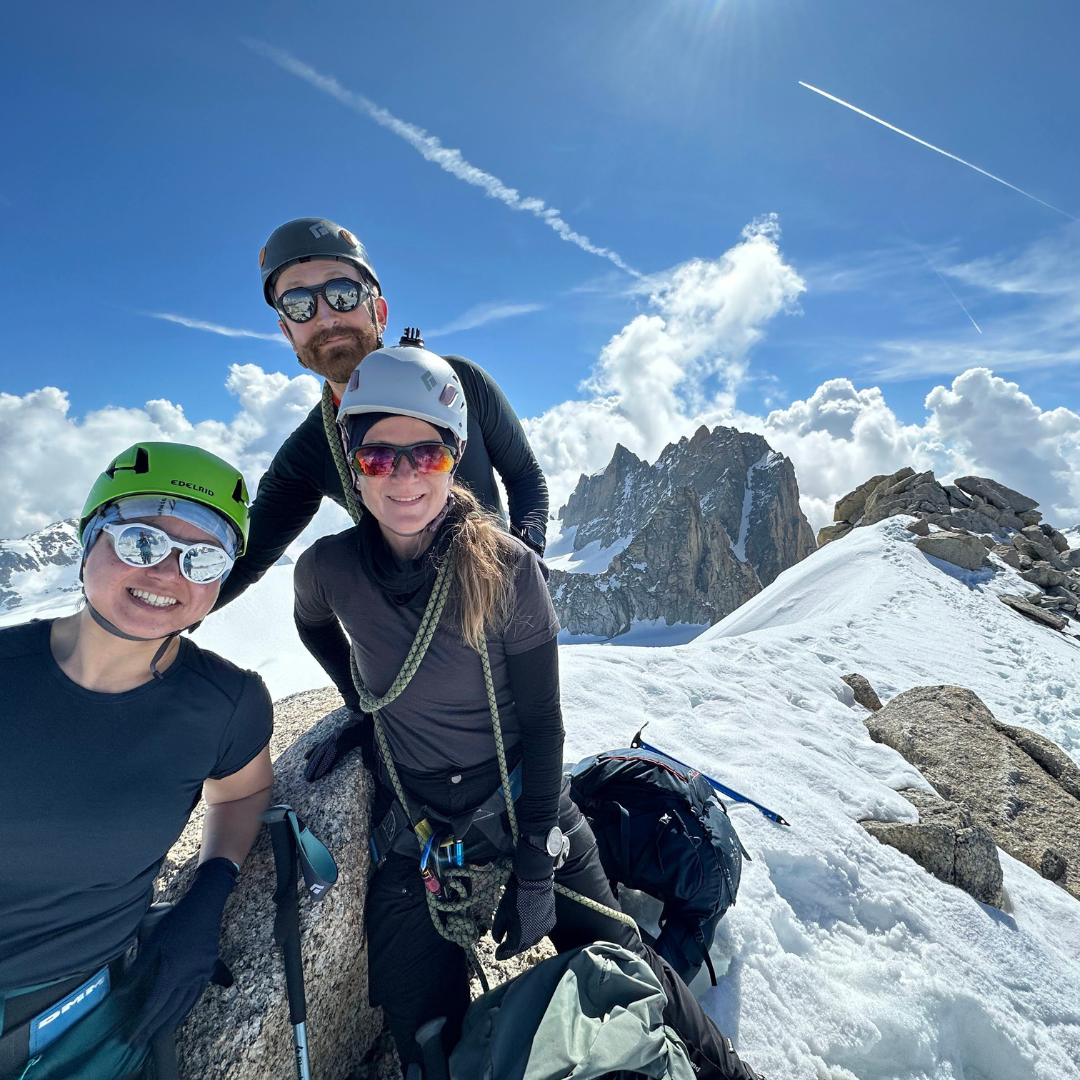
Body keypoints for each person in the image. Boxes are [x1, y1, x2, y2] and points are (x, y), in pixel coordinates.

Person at [293, 348, 765, 1080]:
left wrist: (538, 868)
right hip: (417, 830)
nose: (405, 476)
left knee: (629, 962)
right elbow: (313, 623)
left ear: (455, 457)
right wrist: (363, 705)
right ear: (354, 466)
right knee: (425, 1042)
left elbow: (545, 726)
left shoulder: (507, 568)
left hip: (524, 806)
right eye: (380, 457)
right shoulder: (330, 568)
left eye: (426, 453)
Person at [0, 443, 274, 1079]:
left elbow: (242, 793)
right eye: (141, 542)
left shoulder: (226, 703)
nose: (168, 573)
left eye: (202, 558)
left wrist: (209, 894)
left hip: (70, 1017)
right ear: (89, 540)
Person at [214, 216, 549, 626]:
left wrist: (526, 557)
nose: (325, 317)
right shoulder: (310, 451)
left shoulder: (462, 384)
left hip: (498, 612)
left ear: (379, 311)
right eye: (299, 304)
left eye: (342, 293)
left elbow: (524, 475)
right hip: (402, 641)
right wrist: (155, 614)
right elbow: (244, 561)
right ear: (288, 333)